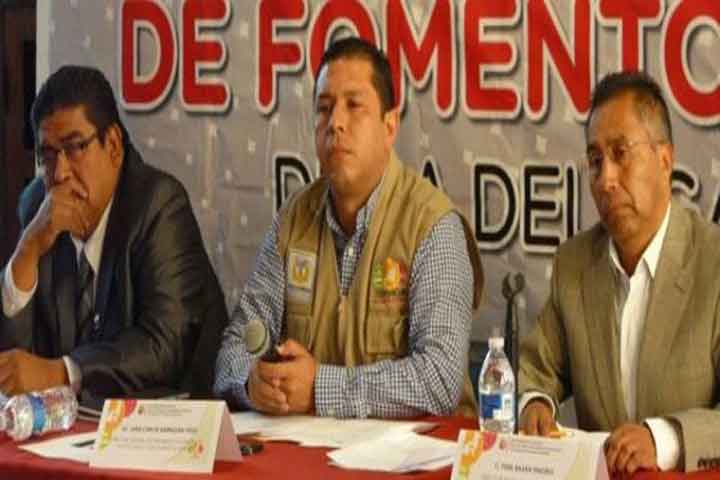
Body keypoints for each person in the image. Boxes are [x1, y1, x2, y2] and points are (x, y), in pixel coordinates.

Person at [215, 37, 483, 419]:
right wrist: (251, 383)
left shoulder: (432, 225)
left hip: (420, 453)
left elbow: (439, 380)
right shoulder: (293, 220)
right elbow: (235, 345)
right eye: (324, 109)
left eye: (354, 106)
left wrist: (319, 389)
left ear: (390, 125)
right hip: (312, 450)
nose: (335, 123)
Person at [519, 71, 720, 474]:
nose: (606, 179)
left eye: (621, 153)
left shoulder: (713, 260)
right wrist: (534, 403)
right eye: (595, 161)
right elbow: (537, 368)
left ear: (665, 160)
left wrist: (664, 438)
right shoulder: (574, 264)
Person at [0, 65, 228, 402]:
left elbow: (164, 346)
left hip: (169, 418)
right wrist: (27, 249)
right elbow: (14, 364)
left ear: (114, 145)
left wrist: (63, 373)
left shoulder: (159, 205)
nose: (59, 173)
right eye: (47, 154)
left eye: (75, 147)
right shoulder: (37, 207)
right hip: (76, 423)